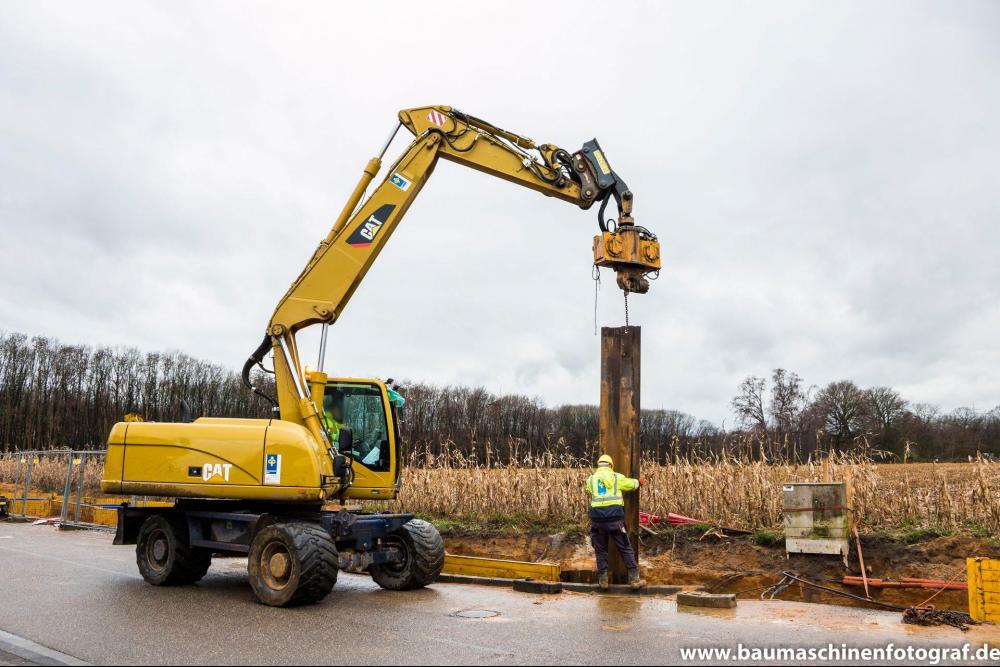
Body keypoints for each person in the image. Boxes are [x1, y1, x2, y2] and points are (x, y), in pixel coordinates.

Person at [585, 454, 646, 590]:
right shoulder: (617, 478)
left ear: (598, 465)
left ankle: (603, 581)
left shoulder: (590, 480)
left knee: (600, 550)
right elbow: (632, 484)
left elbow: (589, 490)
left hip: (597, 522)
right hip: (615, 521)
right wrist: (639, 482)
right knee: (625, 547)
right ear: (610, 466)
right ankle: (634, 580)